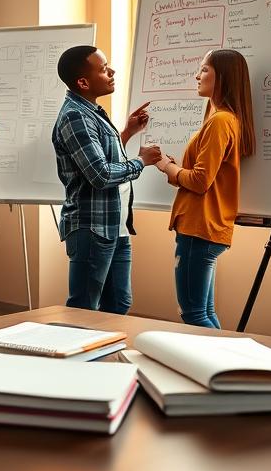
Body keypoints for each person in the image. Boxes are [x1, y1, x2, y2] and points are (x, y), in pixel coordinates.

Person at [52, 45, 162, 315]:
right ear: (83, 82)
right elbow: (100, 175)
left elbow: (102, 158)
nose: (111, 71)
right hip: (92, 228)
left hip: (115, 225)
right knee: (83, 309)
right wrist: (141, 161)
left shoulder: (92, 111)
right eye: (103, 69)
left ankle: (103, 356)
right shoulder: (75, 116)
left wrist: (126, 133)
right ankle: (75, 356)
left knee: (119, 303)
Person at [156, 48, 256, 328]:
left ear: (222, 76)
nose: (197, 76)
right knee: (205, 311)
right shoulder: (226, 119)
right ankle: (226, 367)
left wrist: (166, 166)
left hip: (200, 227)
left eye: (204, 70)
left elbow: (200, 181)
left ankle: (225, 369)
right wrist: (176, 168)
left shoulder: (221, 121)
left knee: (194, 313)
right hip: (206, 227)